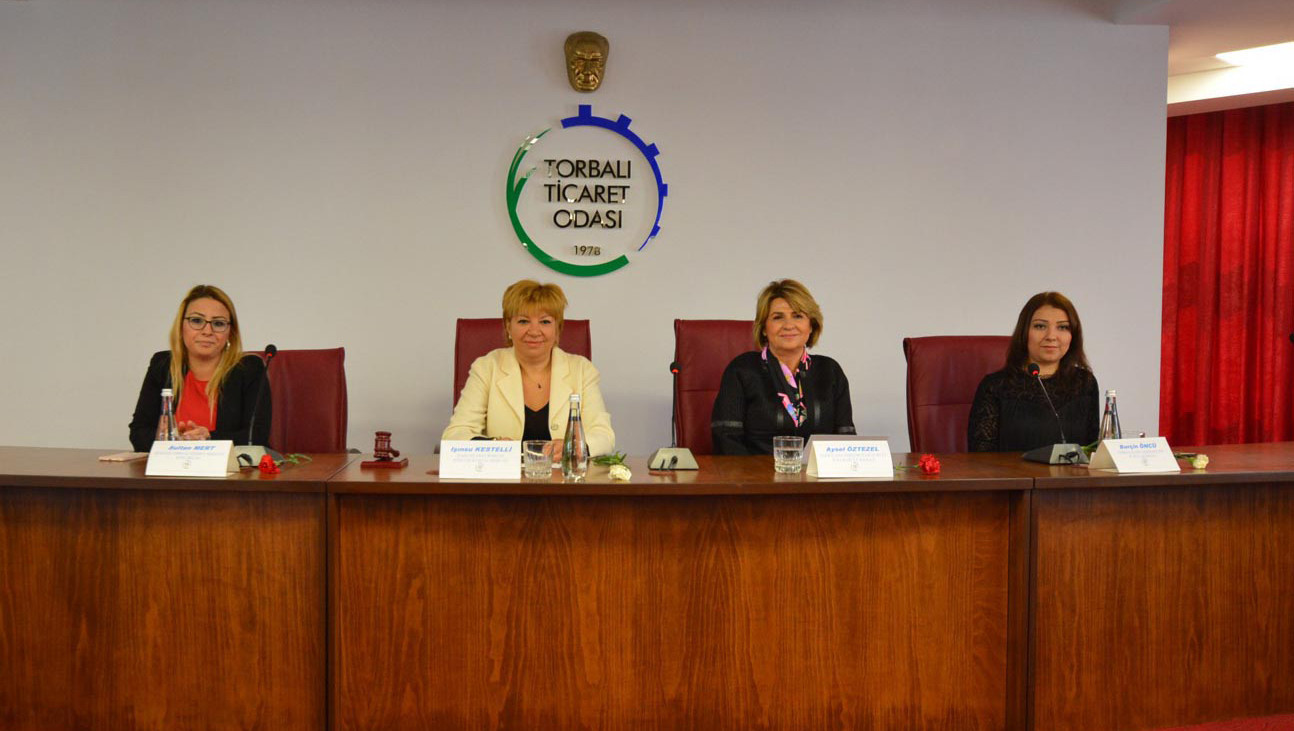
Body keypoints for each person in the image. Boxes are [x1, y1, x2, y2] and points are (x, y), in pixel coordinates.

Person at [442, 279, 615, 456]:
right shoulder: (487, 367)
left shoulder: (582, 370)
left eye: (545, 322)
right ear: (508, 326)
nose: (534, 331)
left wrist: (574, 446)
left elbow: (603, 435)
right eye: (523, 321)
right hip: (504, 473)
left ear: (557, 328)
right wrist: (492, 445)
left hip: (563, 472)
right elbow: (456, 434)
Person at [711, 279, 855, 455]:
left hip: (815, 472)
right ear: (764, 328)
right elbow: (727, 441)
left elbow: (846, 440)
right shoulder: (741, 370)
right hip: (756, 472)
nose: (788, 325)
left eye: (798, 316)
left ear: (811, 325)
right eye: (778, 317)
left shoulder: (830, 371)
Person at [128, 285, 271, 452]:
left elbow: (256, 437)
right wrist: (175, 441)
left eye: (218, 323)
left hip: (229, 467)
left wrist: (207, 439)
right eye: (197, 321)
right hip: (172, 465)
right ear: (181, 327)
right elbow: (138, 432)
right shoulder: (163, 365)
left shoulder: (249, 368)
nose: (207, 331)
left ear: (230, 332)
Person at [968, 291, 1099, 452]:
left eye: (1063, 327)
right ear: (1024, 333)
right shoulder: (995, 386)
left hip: (1070, 470)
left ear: (1073, 335)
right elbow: (981, 457)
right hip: (1010, 470)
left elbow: (1093, 451)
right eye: (1040, 326)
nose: (1051, 336)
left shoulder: (1085, 383)